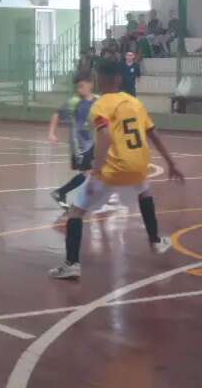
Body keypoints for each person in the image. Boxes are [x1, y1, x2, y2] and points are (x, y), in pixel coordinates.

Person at [49, 60, 184, 279]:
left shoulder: (100, 105)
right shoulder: (135, 103)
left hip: (112, 170)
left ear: (98, 80)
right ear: (119, 79)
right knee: (144, 192)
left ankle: (72, 264)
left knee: (76, 211)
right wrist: (171, 163)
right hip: (139, 166)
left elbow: (105, 135)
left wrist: (97, 167)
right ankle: (155, 241)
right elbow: (153, 134)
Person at [49, 73, 97, 210]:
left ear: (91, 85)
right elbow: (57, 114)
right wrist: (52, 133)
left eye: (82, 86)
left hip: (93, 143)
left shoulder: (98, 101)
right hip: (80, 145)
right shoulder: (74, 102)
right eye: (78, 87)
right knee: (88, 173)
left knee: (95, 171)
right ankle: (61, 193)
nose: (79, 89)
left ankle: (64, 193)